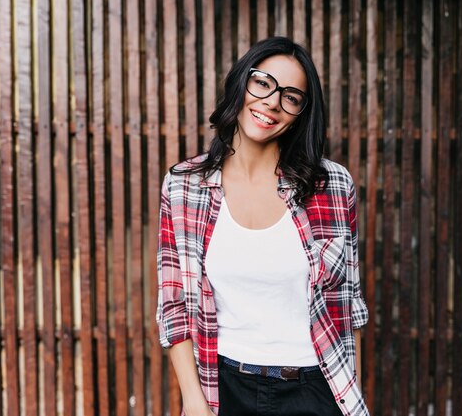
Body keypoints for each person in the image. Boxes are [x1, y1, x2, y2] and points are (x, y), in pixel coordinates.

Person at [157, 36, 369, 416]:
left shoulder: (332, 185)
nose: (272, 101)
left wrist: (349, 397)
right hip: (223, 388)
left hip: (315, 388)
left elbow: (348, 307)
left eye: (290, 97)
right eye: (263, 83)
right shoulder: (183, 185)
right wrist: (193, 398)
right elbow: (174, 305)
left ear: (301, 112)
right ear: (241, 83)